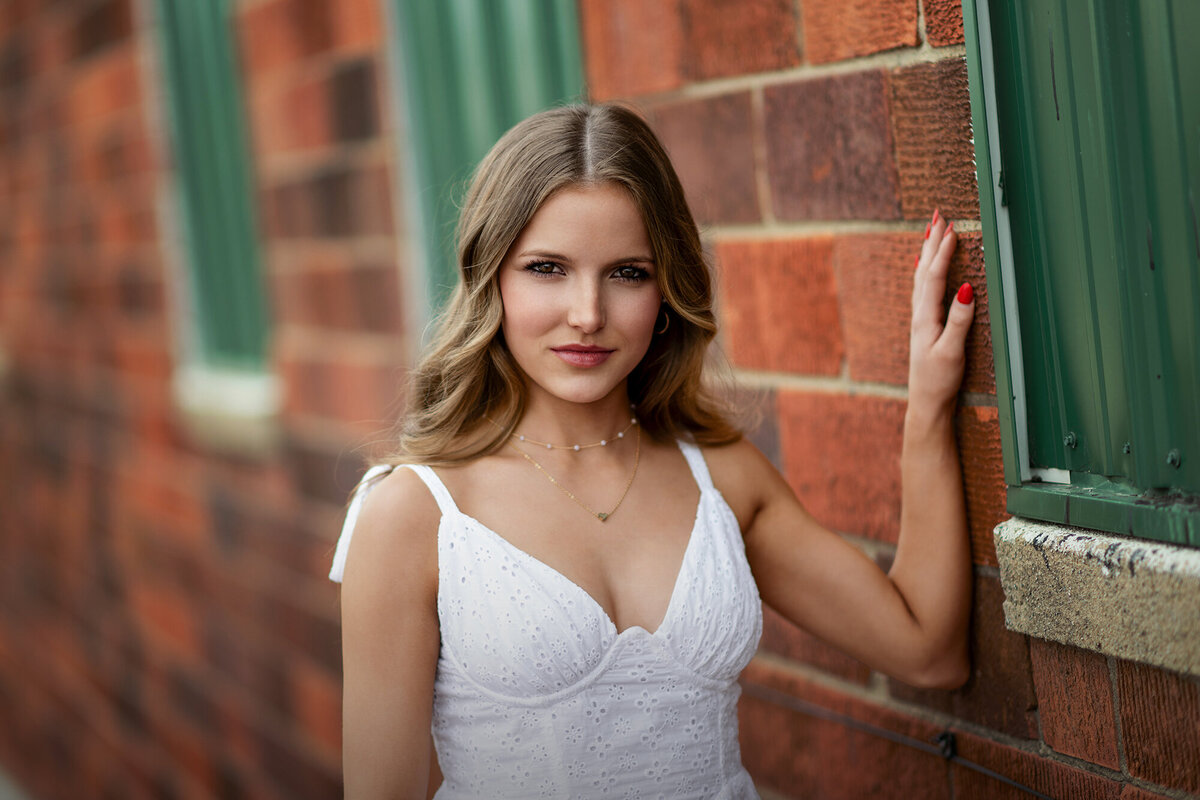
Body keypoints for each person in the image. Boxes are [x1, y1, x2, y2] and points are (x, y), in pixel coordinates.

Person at [329, 103, 975, 799]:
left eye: (627, 273)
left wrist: (929, 410)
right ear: (492, 279)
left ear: (666, 290)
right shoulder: (415, 514)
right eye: (547, 268)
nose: (587, 313)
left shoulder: (720, 479)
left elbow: (927, 649)